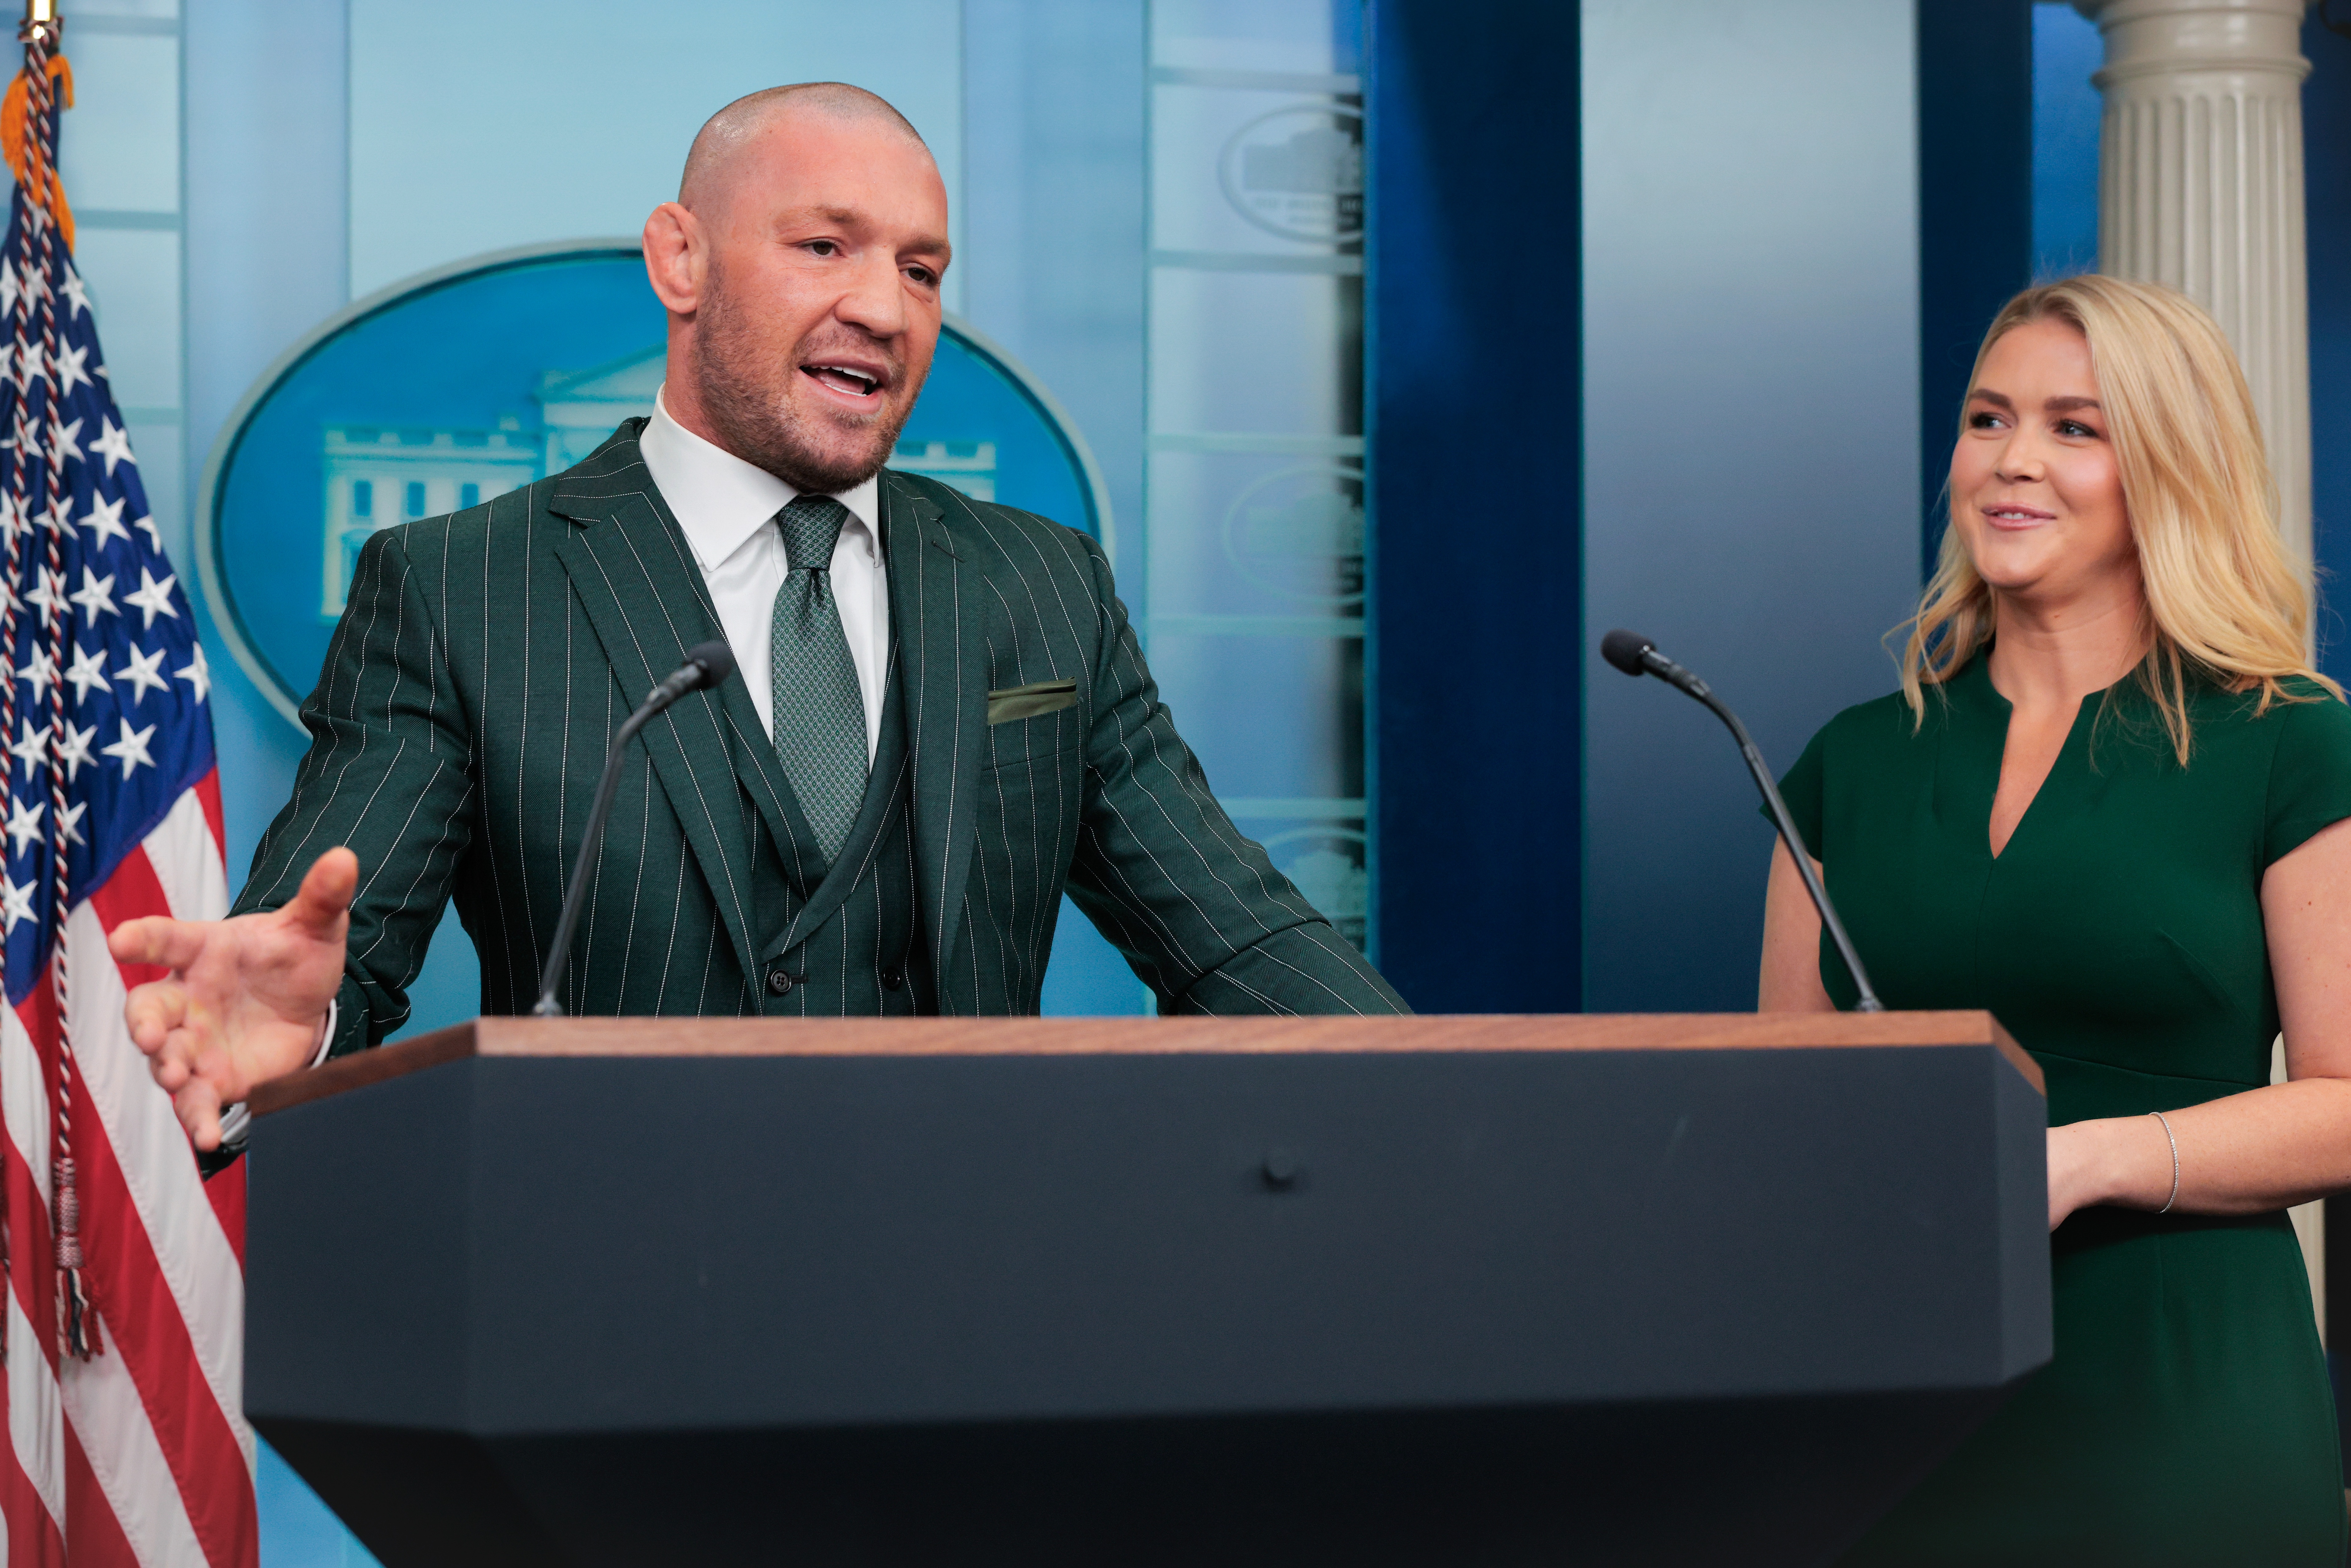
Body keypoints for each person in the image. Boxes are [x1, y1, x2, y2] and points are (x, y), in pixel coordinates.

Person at [112, 82, 1405, 1150]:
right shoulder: (460, 587)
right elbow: (327, 947)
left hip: (990, 1320)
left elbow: (1233, 935)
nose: (886, 309)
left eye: (922, 269)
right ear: (680, 258)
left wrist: (1452, 1110)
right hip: (615, 1353)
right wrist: (298, 1032)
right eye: (824, 246)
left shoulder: (1039, 586)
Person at [1760, 274, 2351, 1565]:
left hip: (2181, 1400)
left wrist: (2082, 1161)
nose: (2010, 461)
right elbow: (1791, 1103)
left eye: (2073, 428)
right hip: (1896, 1401)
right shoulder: (1843, 764)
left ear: (2167, 467)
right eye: (1986, 419)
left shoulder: (2290, 739)